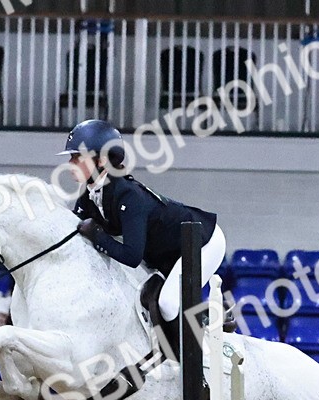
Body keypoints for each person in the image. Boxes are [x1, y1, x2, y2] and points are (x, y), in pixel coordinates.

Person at [59, 119, 226, 348]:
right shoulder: (90, 196)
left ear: (102, 160)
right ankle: (201, 315)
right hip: (165, 254)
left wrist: (97, 235)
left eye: (77, 157)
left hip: (202, 242)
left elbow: (132, 256)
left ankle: (194, 374)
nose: (71, 163)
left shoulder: (129, 196)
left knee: (167, 304)